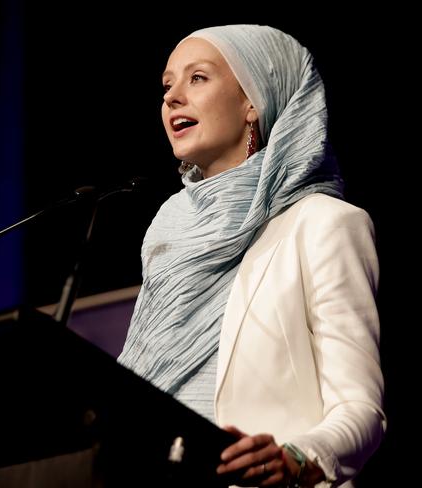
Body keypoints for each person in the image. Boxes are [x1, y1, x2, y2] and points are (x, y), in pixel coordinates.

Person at [117, 25, 385, 487]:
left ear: (253, 103)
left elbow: (361, 410)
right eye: (167, 84)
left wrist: (296, 458)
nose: (173, 97)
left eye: (197, 78)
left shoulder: (323, 225)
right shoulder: (166, 236)